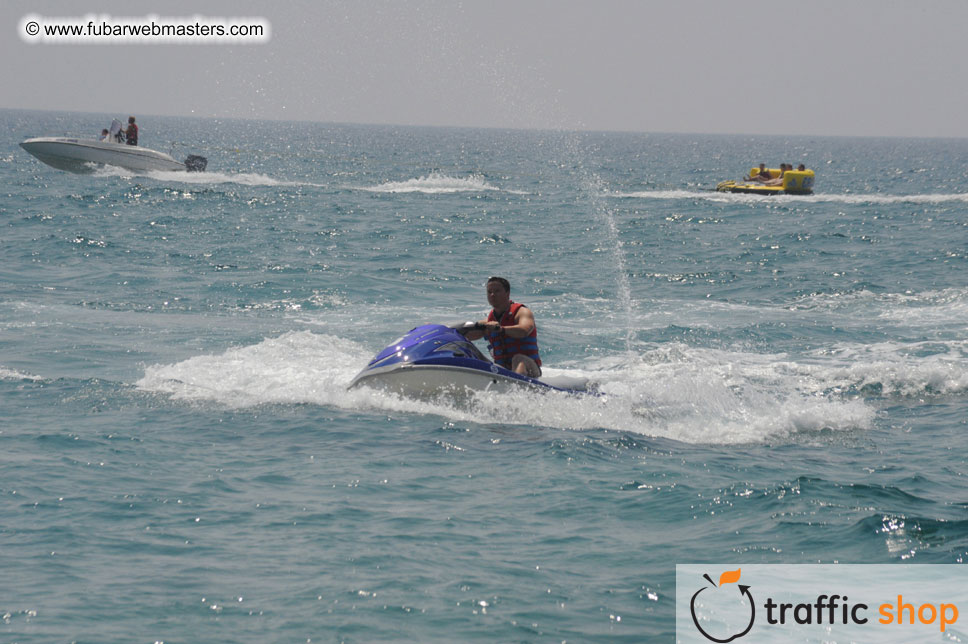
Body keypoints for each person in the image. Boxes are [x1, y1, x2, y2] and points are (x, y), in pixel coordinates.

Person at [464, 276, 542, 377]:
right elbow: (468, 335)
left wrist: (501, 329)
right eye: (489, 292)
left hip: (530, 369)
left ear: (507, 293)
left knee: (518, 359)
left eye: (497, 291)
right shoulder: (489, 322)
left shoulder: (522, 312)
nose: (492, 295)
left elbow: (524, 330)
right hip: (504, 372)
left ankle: (518, 383)